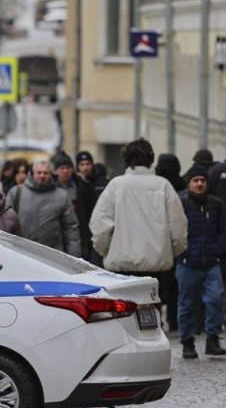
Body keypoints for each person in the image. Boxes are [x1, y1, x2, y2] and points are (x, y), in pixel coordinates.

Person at [89, 138, 187, 281]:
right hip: (157, 268)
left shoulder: (115, 186)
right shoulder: (164, 186)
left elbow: (100, 225)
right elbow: (178, 228)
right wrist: (170, 252)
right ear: (151, 159)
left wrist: (104, 251)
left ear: (126, 159)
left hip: (120, 267)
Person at [175, 164, 226, 358]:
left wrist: (218, 249)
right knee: (187, 304)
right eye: (195, 180)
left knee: (215, 299)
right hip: (187, 263)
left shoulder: (216, 204)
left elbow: (223, 230)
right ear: (189, 183)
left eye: (202, 180)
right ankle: (187, 342)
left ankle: (212, 339)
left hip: (211, 263)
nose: (199, 184)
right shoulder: (182, 204)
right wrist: (182, 251)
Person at [5, 159, 81, 256]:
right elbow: (6, 225)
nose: (42, 176)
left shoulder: (62, 196)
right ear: (33, 173)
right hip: (21, 253)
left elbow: (71, 228)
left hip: (53, 255)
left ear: (51, 174)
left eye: (45, 173)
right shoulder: (16, 193)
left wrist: (74, 256)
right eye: (39, 172)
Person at [155, 153, 187, 331]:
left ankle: (157, 320)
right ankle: (174, 322)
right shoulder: (181, 185)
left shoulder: (157, 185)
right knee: (174, 287)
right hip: (174, 244)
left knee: (157, 286)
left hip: (157, 242)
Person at [52, 151, 97, 262]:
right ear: (56, 171)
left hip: (80, 233)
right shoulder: (50, 189)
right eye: (62, 168)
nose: (65, 171)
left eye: (68, 168)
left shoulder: (83, 187)